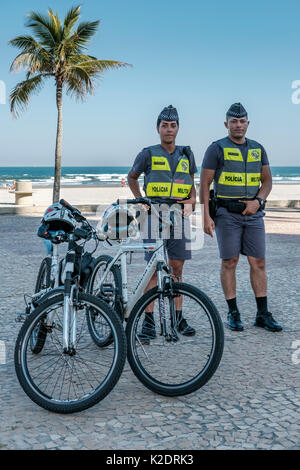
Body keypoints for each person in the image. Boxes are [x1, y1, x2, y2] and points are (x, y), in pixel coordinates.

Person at [200, 103, 282, 332]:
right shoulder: (216, 148)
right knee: (229, 262)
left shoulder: (258, 148)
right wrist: (206, 216)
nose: (238, 125)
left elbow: (267, 181)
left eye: (242, 121)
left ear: (248, 124)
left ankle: (262, 314)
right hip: (227, 214)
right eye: (234, 121)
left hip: (254, 214)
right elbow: (205, 185)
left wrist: (259, 201)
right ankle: (233, 312)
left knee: (259, 262)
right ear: (227, 124)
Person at [127, 105, 198, 339]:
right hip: (153, 215)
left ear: (178, 128)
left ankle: (177, 319)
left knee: (177, 268)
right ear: (157, 128)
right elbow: (132, 177)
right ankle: (148, 322)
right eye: (165, 126)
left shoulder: (186, 153)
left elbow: (191, 184)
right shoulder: (147, 153)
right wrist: (140, 200)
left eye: (173, 125)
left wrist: (193, 199)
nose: (169, 130)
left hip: (178, 214)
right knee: (153, 270)